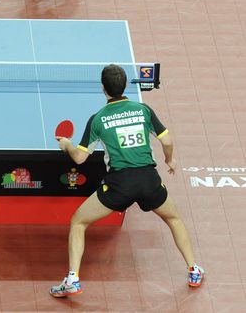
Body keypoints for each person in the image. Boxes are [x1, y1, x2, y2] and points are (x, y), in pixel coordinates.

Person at [50, 64, 205, 298]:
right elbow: (167, 140)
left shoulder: (98, 119)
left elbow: (80, 158)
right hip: (148, 180)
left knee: (79, 222)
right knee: (174, 218)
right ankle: (194, 270)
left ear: (103, 88)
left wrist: (67, 145)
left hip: (119, 185)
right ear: (125, 86)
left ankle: (72, 279)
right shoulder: (143, 110)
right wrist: (170, 161)